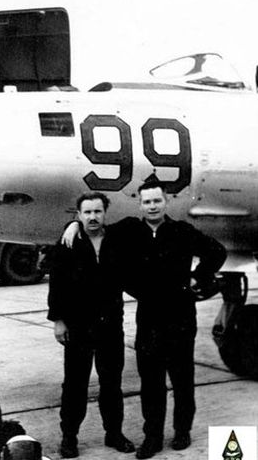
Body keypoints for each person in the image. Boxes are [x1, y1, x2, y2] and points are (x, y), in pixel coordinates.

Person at [62, 177, 227, 459]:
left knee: (182, 380)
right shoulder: (128, 230)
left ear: (166, 202)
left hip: (181, 317)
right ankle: (153, 437)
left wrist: (197, 279)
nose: (152, 206)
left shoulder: (182, 231)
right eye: (147, 201)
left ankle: (182, 431)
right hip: (149, 318)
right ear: (140, 204)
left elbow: (217, 252)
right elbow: (95, 224)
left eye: (157, 201)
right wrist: (72, 224)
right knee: (151, 383)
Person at [47, 192, 135, 458]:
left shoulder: (116, 240)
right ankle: (69, 438)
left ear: (105, 213)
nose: (92, 217)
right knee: (74, 385)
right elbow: (57, 284)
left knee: (112, 383)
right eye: (87, 213)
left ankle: (114, 434)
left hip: (110, 325)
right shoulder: (68, 243)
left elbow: (133, 222)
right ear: (78, 215)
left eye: (97, 211)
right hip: (78, 326)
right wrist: (58, 320)